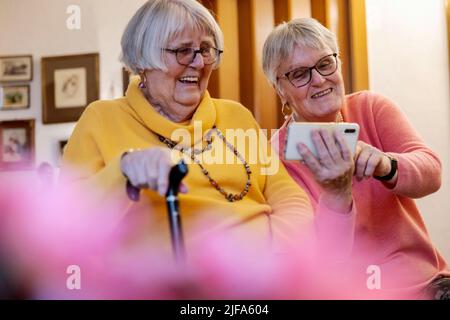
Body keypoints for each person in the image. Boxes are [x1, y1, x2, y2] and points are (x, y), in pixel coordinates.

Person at [60, 0, 313, 258]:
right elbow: (66, 225)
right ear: (144, 60)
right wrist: (122, 170)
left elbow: (291, 200)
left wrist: (270, 265)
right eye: (183, 50)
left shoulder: (236, 115)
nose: (200, 63)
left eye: (206, 49)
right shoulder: (102, 119)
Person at [262, 17, 450, 299]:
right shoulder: (273, 157)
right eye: (300, 74)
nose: (319, 79)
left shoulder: (371, 108)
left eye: (325, 64)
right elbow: (316, 256)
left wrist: (386, 165)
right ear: (280, 90)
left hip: (425, 286)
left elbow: (432, 174)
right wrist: (336, 193)